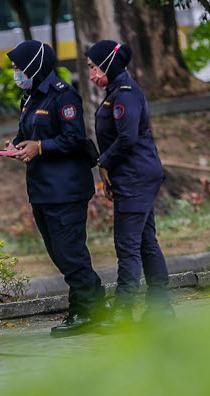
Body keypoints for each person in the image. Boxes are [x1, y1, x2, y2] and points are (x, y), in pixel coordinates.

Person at [0, 40, 108, 337]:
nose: (15, 72)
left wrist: (40, 147)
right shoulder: (30, 98)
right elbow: (27, 135)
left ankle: (91, 311)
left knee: (70, 253)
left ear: (34, 65)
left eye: (18, 67)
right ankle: (91, 308)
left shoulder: (63, 96)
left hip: (66, 191)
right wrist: (15, 146)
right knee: (61, 255)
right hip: (43, 190)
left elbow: (74, 138)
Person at [86, 40, 174, 323]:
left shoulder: (124, 94)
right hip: (134, 174)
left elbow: (127, 138)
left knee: (127, 244)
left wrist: (104, 163)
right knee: (146, 241)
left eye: (93, 67)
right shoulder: (117, 92)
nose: (90, 73)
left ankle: (123, 311)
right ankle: (160, 308)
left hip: (135, 176)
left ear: (108, 65)